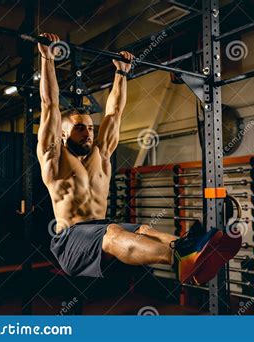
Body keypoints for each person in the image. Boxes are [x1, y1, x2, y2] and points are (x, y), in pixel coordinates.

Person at [36, 33, 240, 285]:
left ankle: (190, 247)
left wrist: (121, 73)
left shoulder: (102, 154)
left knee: (143, 230)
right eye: (80, 128)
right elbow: (49, 105)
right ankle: (180, 260)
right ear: (63, 133)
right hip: (70, 241)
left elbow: (114, 112)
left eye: (90, 128)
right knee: (112, 232)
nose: (88, 133)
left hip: (100, 229)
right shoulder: (54, 158)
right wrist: (47, 58)